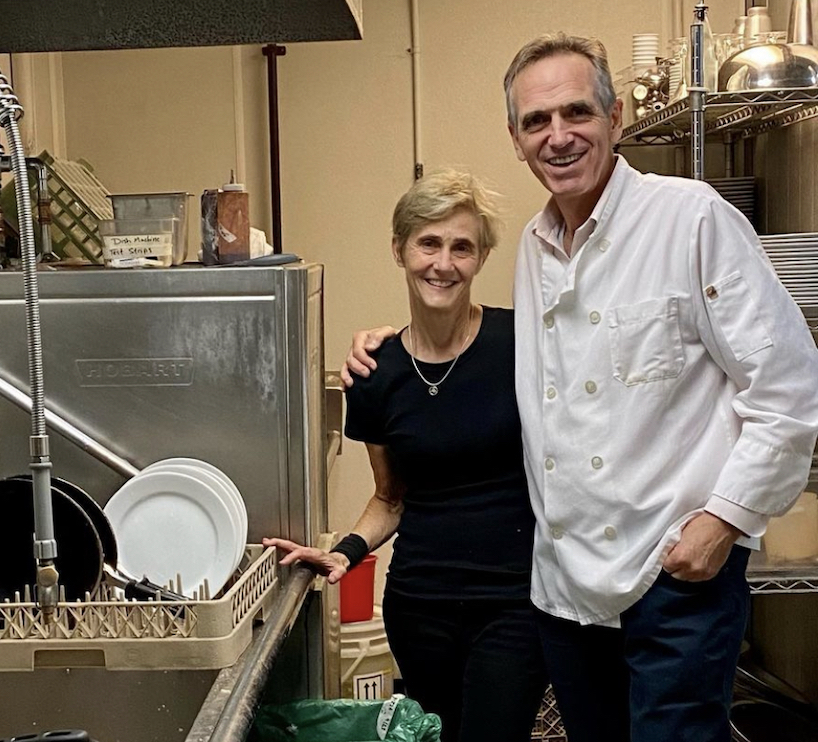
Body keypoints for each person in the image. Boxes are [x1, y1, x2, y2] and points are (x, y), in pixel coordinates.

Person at [342, 33, 818, 742]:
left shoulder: (689, 218)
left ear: (615, 117)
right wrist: (395, 342)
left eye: (576, 114)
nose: (558, 137)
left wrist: (725, 521)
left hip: (675, 576)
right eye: (537, 122)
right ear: (515, 137)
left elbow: (787, 385)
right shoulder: (536, 246)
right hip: (568, 593)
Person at [264, 170, 546, 742]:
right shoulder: (374, 374)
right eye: (429, 242)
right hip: (420, 605)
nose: (443, 263)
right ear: (400, 250)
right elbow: (391, 498)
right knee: (433, 734)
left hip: (514, 601)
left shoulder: (522, 344)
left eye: (461, 246)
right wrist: (342, 552)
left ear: (481, 257)